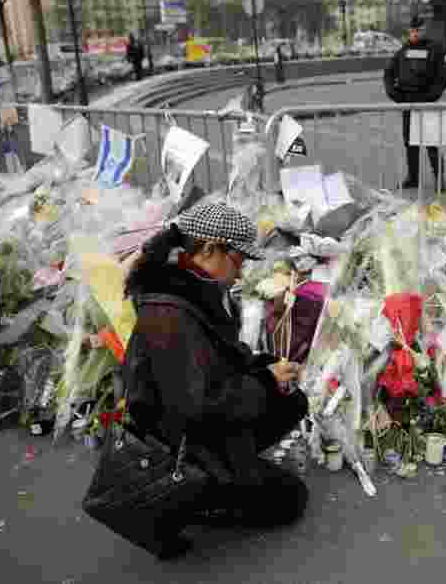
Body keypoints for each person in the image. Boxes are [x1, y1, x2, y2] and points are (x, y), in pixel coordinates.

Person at [117, 202, 309, 560]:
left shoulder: (193, 289)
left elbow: (220, 361)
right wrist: (264, 381)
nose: (239, 275)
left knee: (292, 400)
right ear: (209, 249)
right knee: (290, 500)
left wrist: (266, 368)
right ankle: (200, 498)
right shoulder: (170, 311)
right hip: (179, 445)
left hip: (196, 421)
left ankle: (233, 473)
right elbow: (199, 406)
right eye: (238, 262)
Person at [384, 16, 446, 190]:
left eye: (418, 30)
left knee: (431, 143)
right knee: (410, 142)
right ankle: (413, 177)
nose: (414, 33)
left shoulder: (435, 49)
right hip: (408, 103)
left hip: (427, 103)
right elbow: (389, 73)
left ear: (424, 30)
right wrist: (394, 94)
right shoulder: (403, 51)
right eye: (412, 30)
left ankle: (439, 179)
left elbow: (443, 75)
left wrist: (432, 96)